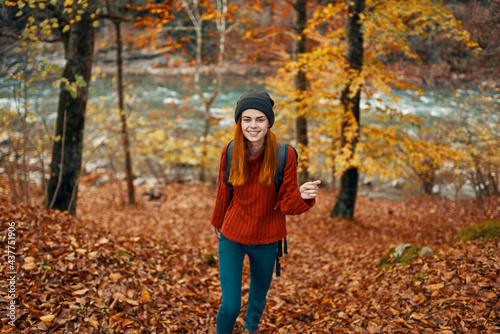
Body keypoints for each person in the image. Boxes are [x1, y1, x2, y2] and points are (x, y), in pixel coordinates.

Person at [210, 89, 321, 334]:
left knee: (257, 301)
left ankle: (251, 330)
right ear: (239, 122)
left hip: (268, 239)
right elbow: (223, 191)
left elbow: (287, 204)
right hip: (232, 236)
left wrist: (301, 196)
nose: (253, 126)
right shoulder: (230, 150)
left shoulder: (285, 154)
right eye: (247, 119)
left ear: (269, 122)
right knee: (230, 305)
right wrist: (217, 221)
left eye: (259, 119)